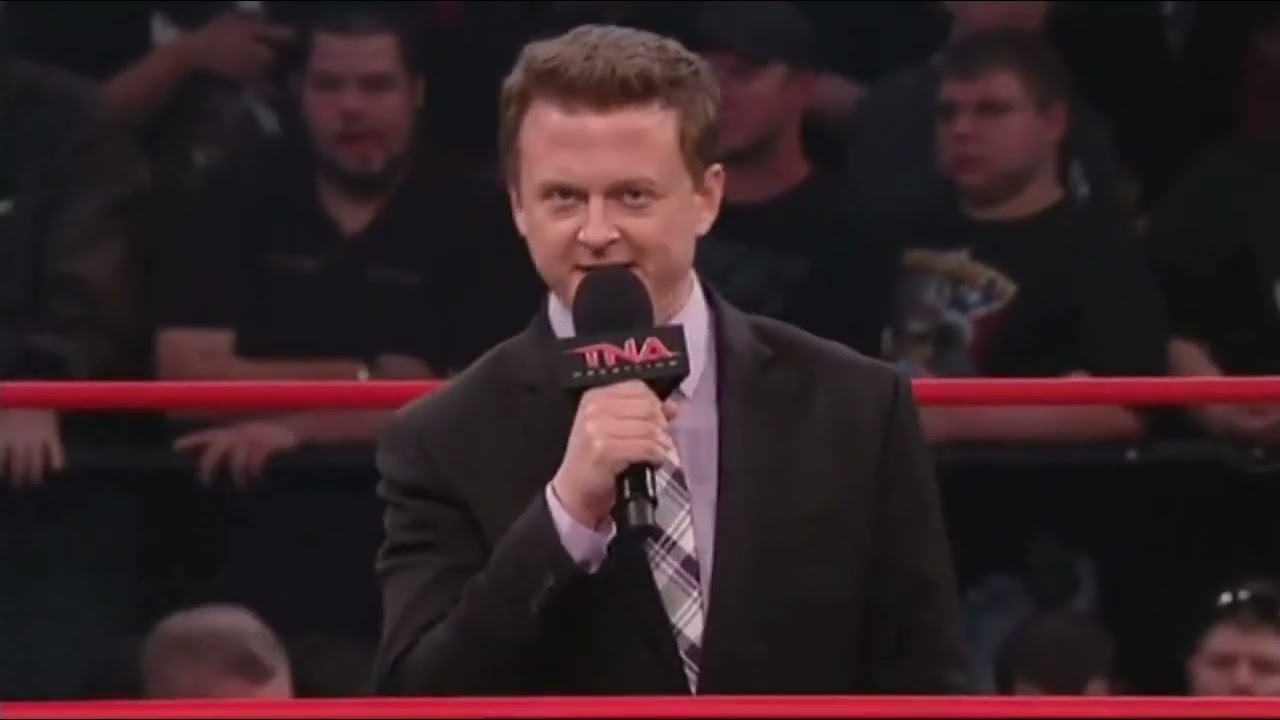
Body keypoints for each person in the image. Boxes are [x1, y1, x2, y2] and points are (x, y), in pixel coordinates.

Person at [373, 23, 968, 696]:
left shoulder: (856, 405)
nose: (597, 232)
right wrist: (565, 515)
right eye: (564, 197)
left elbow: (927, 676)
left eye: (633, 195)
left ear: (706, 198)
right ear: (518, 205)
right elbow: (419, 695)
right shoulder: (443, 437)